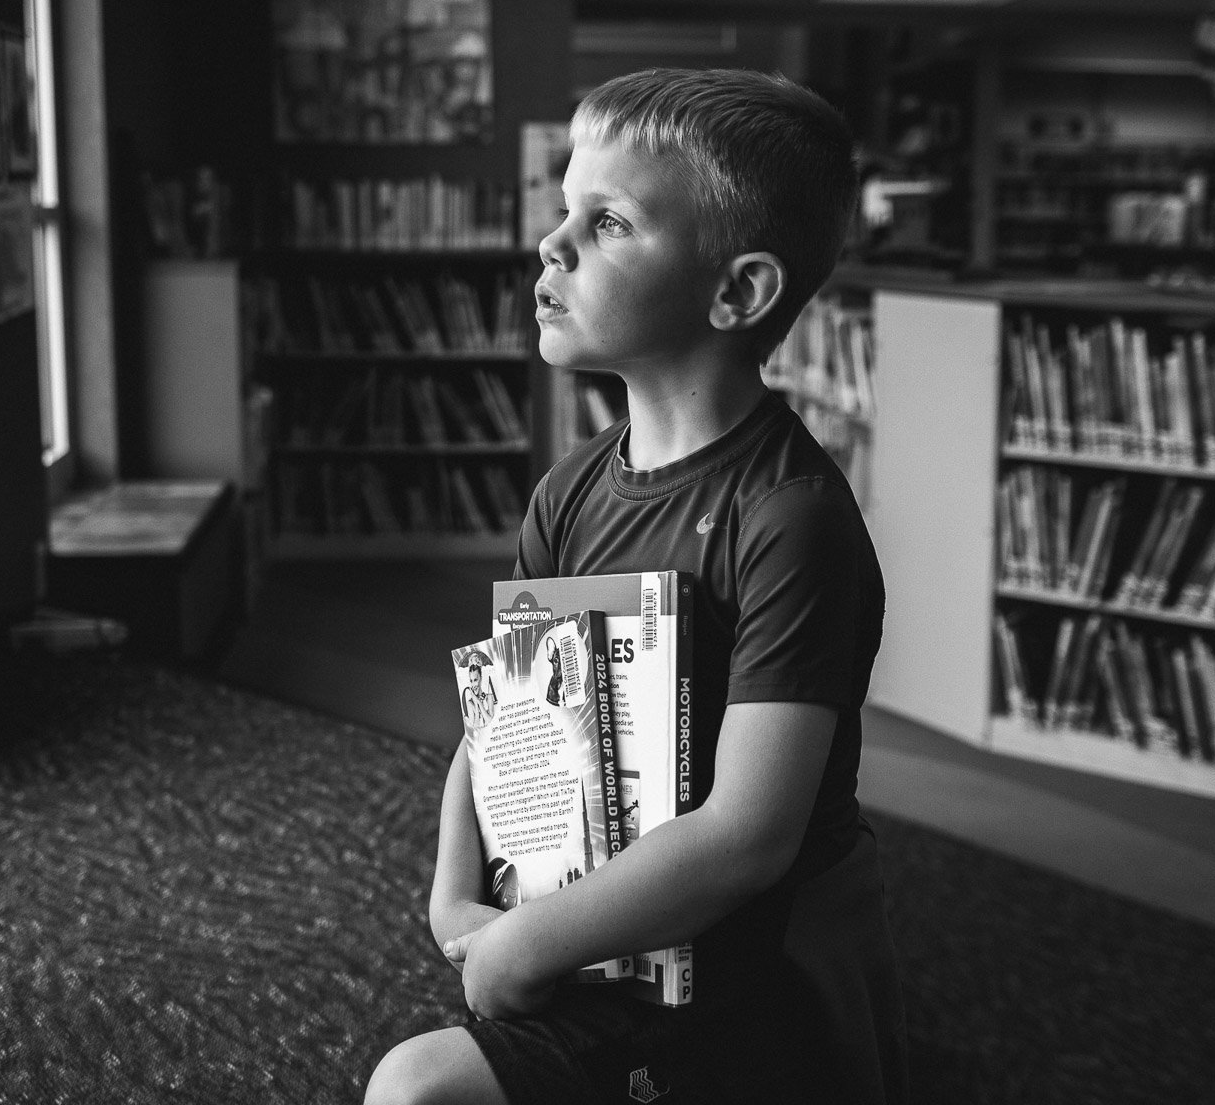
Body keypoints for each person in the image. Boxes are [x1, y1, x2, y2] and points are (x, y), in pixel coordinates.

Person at [366, 67, 906, 1105]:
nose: (551, 245)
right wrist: (454, 897)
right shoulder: (567, 495)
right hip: (594, 928)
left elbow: (748, 837)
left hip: (741, 971)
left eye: (607, 223)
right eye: (564, 209)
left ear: (738, 291)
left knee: (414, 1089)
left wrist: (526, 950)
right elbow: (501, 728)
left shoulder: (791, 518)